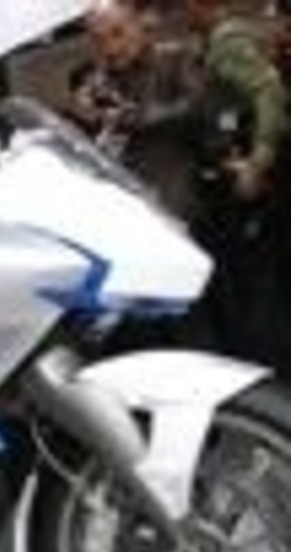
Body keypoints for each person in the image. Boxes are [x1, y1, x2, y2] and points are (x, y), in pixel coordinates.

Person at [184, 0, 289, 364]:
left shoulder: (228, 40)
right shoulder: (213, 42)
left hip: (249, 186)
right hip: (232, 180)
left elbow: (270, 92)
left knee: (255, 283)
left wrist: (257, 162)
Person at [68, 0, 198, 218]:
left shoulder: (175, 59)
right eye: (99, 40)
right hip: (128, 197)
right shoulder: (96, 81)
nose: (111, 48)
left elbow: (198, 108)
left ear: (137, 25)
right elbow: (92, 141)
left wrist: (138, 117)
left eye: (118, 33)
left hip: (176, 185)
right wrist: (86, 118)